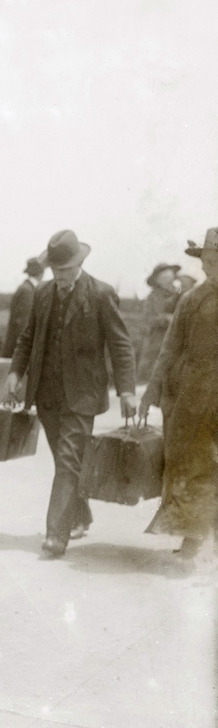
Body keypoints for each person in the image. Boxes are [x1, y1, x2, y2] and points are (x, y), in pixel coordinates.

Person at [7, 230, 137, 558]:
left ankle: (56, 536)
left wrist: (127, 391)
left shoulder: (101, 294)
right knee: (65, 461)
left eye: (65, 270)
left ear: (79, 264)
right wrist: (14, 372)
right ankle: (80, 515)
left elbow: (121, 345)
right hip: (46, 394)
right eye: (54, 270)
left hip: (82, 397)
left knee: (67, 462)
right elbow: (28, 337)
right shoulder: (43, 294)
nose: (59, 277)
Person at [139, 228, 218, 562]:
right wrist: (151, 391)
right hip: (191, 394)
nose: (210, 266)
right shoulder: (191, 299)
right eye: (207, 260)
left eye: (216, 260)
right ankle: (193, 537)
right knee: (194, 462)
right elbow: (170, 348)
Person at [136, 262, 180, 383]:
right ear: (157, 281)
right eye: (163, 278)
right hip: (158, 340)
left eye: (169, 277)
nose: (167, 281)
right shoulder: (152, 297)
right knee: (156, 375)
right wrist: (165, 318)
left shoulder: (180, 294)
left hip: (179, 338)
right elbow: (147, 318)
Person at [3, 256, 47, 359]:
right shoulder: (27, 291)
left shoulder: (27, 288)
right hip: (18, 351)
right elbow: (24, 324)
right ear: (41, 273)